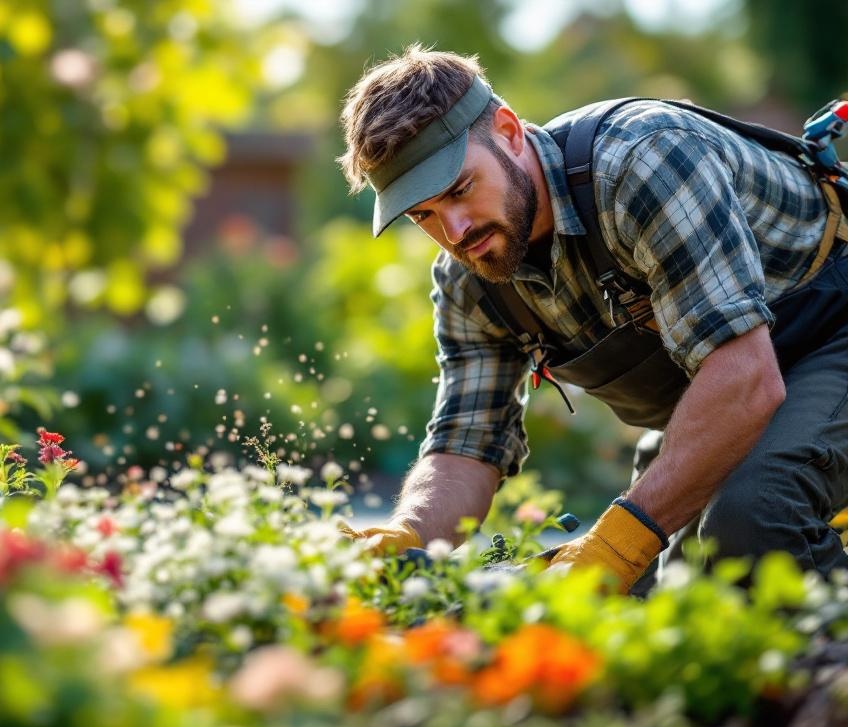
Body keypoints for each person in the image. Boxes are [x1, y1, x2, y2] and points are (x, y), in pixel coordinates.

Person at [336, 45, 848, 593]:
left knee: (752, 518)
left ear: (508, 132)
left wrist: (617, 544)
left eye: (461, 189)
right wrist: (408, 533)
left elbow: (745, 378)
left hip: (824, 340)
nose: (455, 231)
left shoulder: (643, 161)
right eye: (424, 215)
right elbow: (466, 444)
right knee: (665, 594)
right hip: (732, 391)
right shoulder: (471, 283)